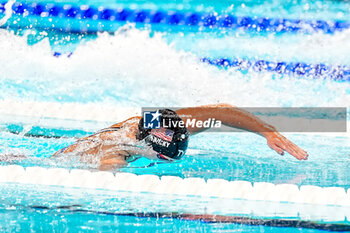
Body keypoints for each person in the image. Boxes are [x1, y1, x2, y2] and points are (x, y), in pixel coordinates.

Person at [53, 103, 308, 170]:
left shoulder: (165, 123)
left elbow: (222, 111)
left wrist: (267, 132)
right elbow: (107, 182)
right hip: (64, 160)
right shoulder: (115, 152)